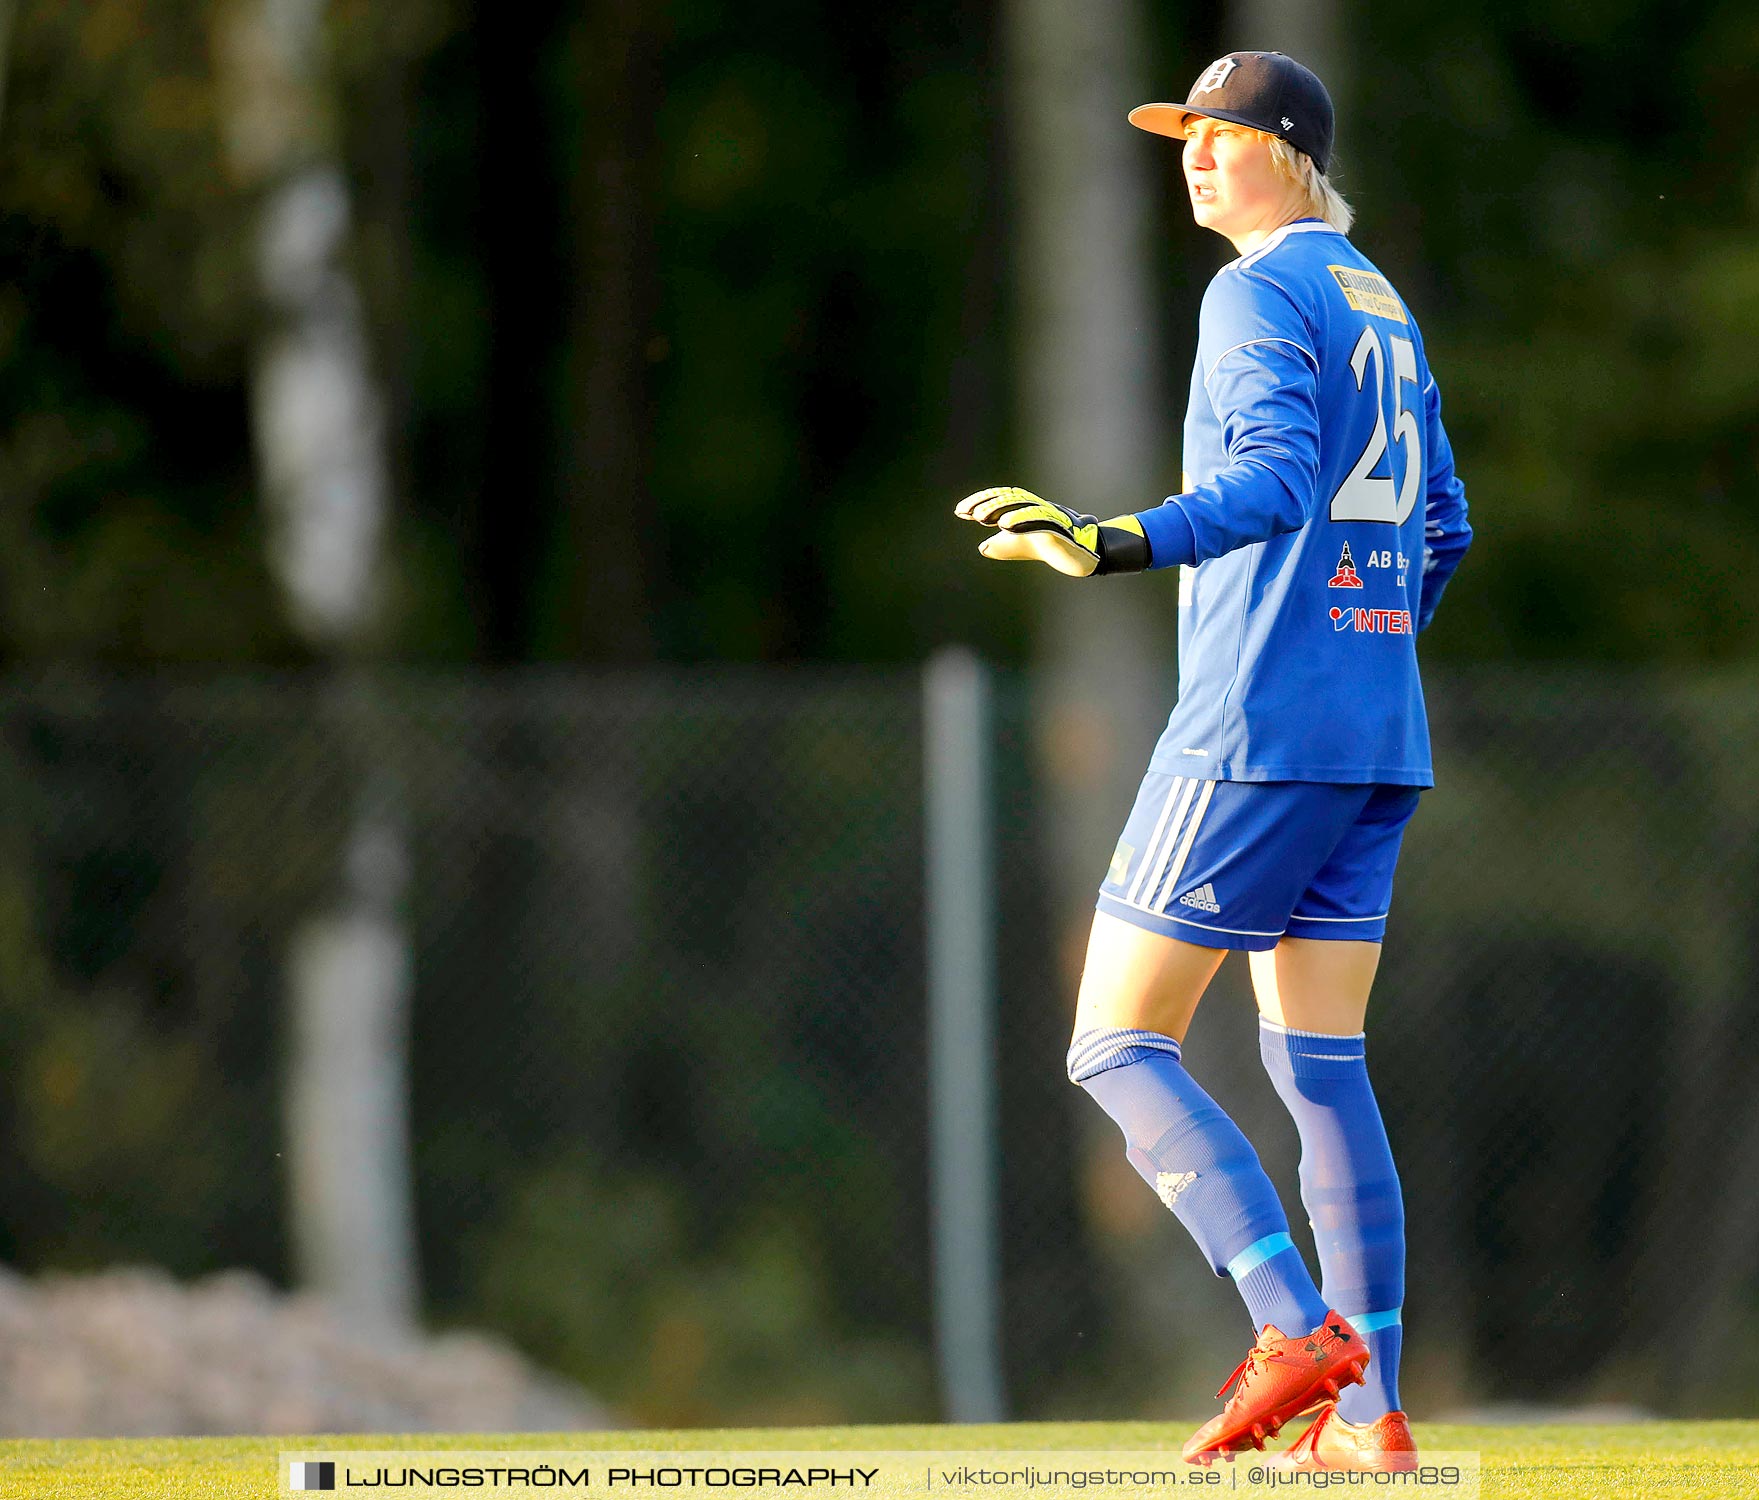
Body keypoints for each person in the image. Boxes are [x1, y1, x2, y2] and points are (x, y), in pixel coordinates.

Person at [955, 51, 1471, 1472]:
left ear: (1293, 155)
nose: (1194, 155)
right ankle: (1372, 1420)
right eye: (1185, 133)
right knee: (1319, 1066)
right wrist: (1364, 645)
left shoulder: (1257, 289)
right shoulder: (1381, 300)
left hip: (1256, 731)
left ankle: (1290, 1329)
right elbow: (1446, 527)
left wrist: (1111, 538)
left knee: (1114, 1040)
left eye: (1225, 135)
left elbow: (1273, 483)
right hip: (1375, 737)